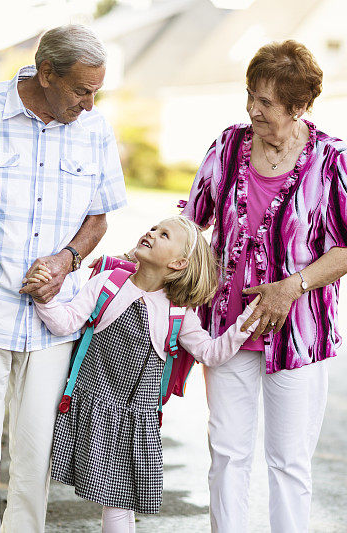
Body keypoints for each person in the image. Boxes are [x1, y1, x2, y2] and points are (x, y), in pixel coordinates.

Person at [0, 24, 127, 532]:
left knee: (36, 458)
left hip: (52, 322)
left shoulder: (95, 129)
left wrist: (67, 259)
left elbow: (99, 216)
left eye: (97, 91)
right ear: (47, 72)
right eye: (82, 90)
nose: (91, 104)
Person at [179, 40, 347, 532]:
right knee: (227, 454)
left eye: (266, 102)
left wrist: (292, 286)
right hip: (228, 329)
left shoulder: (330, 159)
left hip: (298, 333)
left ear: (299, 107)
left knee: (288, 462)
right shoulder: (227, 146)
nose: (252, 110)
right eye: (250, 96)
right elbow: (191, 221)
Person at [24, 216, 263, 533]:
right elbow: (65, 322)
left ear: (178, 263)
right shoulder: (107, 283)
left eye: (163, 234)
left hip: (134, 417)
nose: (151, 233)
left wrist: (250, 319)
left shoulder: (177, 312)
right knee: (39, 472)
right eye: (153, 228)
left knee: (118, 504)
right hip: (89, 402)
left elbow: (211, 353)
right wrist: (45, 297)